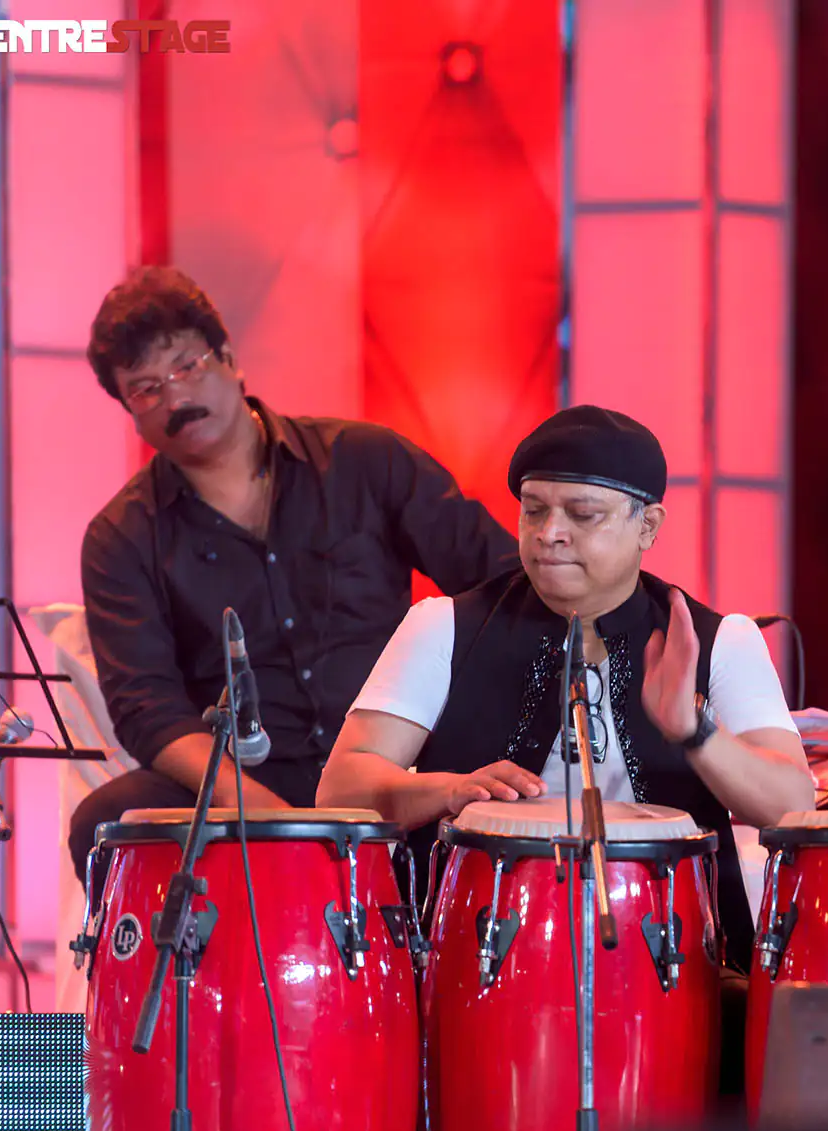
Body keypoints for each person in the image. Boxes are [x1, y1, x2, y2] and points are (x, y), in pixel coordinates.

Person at [315, 404, 816, 975]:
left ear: (648, 526)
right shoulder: (444, 626)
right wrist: (450, 790)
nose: (549, 534)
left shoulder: (719, 639)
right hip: (475, 960)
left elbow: (793, 807)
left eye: (582, 514)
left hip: (672, 962)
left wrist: (696, 732)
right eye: (534, 511)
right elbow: (341, 788)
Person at [70, 266, 517, 896]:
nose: (175, 398)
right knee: (104, 821)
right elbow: (148, 709)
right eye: (145, 389)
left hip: (393, 762)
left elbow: (498, 580)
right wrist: (262, 812)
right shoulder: (121, 536)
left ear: (229, 358)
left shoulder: (366, 461)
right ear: (129, 411)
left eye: (187, 366)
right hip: (246, 782)